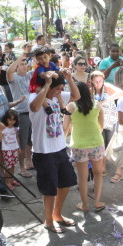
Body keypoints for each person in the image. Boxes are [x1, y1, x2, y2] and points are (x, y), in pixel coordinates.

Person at [30, 69, 80, 233]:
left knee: (66, 182)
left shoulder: (58, 97)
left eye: (61, 88)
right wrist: (48, 84)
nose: (60, 91)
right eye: (57, 88)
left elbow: (76, 96)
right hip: (43, 152)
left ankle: (57, 214)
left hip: (60, 149)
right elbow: (35, 106)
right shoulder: (35, 98)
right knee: (49, 189)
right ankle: (48, 220)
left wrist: (69, 78)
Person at [66, 81, 107, 213]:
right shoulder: (97, 105)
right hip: (96, 143)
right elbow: (101, 126)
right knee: (98, 173)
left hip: (78, 145)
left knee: (82, 177)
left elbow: (65, 128)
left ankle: (84, 204)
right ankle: (97, 202)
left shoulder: (71, 107)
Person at [7, 52, 35, 177]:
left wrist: (33, 57)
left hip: (32, 113)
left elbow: (38, 67)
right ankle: (22, 167)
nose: (24, 66)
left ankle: (29, 162)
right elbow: (8, 71)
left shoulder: (29, 75)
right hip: (21, 114)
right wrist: (19, 58)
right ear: (17, 66)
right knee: (22, 143)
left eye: (25, 64)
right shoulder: (14, 78)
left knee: (30, 141)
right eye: (21, 64)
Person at [0, 109, 21, 188]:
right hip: (7, 150)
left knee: (13, 166)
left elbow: (16, 137)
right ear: (6, 119)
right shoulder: (4, 129)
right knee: (8, 166)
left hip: (14, 149)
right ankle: (7, 182)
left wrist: (18, 148)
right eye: (10, 120)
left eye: (14, 120)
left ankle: (11, 179)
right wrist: (0, 131)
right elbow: (0, 140)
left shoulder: (15, 128)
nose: (12, 122)